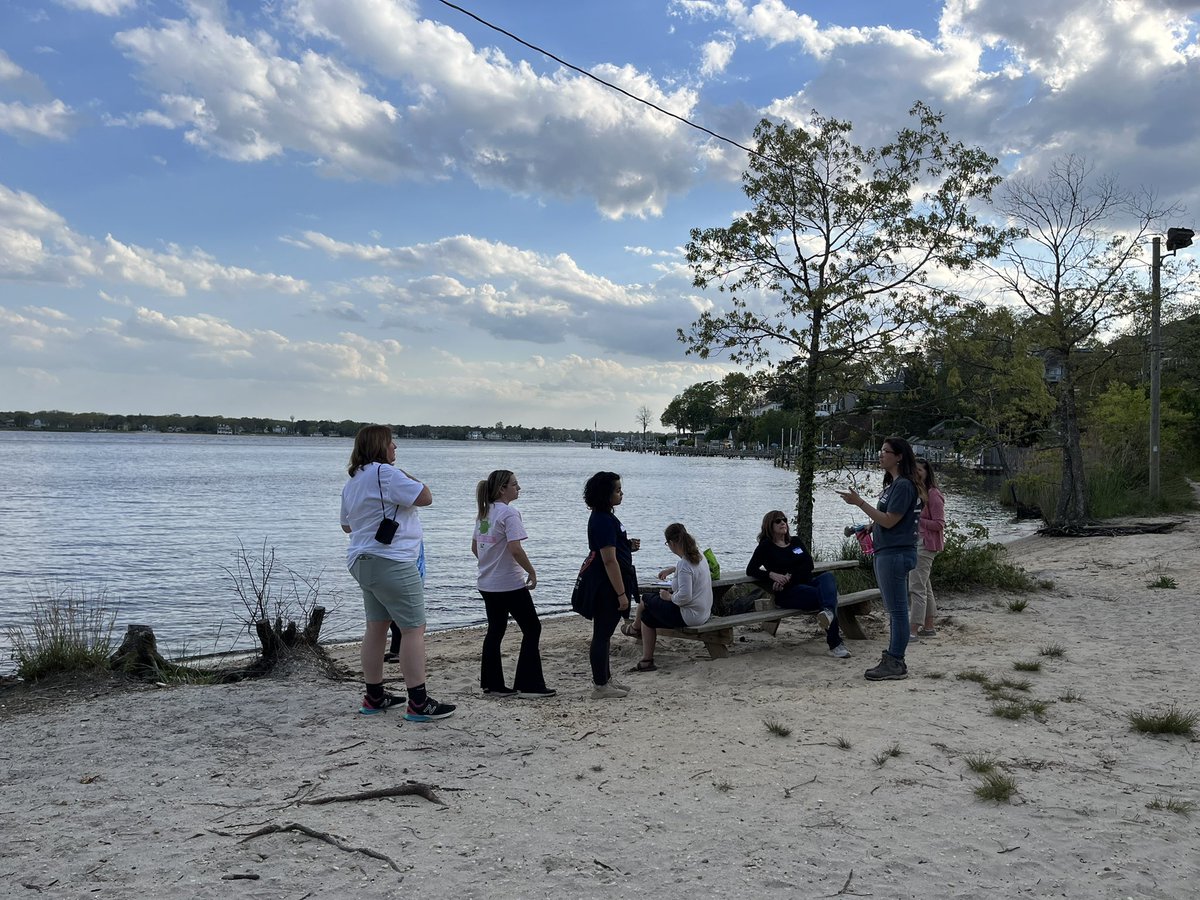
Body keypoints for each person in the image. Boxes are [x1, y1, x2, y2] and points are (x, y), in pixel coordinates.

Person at [340, 425, 456, 721]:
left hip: (361, 560)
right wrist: (404, 474)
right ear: (380, 446)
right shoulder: (387, 474)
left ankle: (374, 695)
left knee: (376, 627)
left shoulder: (353, 481)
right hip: (391, 560)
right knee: (413, 629)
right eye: (392, 443)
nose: (396, 448)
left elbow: (347, 526)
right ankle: (418, 701)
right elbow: (426, 496)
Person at [836, 436, 921, 681]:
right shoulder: (894, 484)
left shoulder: (904, 485)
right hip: (887, 551)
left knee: (897, 611)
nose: (880, 454)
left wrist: (859, 502)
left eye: (886, 451)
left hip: (895, 554)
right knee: (894, 610)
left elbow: (891, 520)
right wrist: (871, 527)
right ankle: (894, 659)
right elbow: (887, 518)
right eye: (880, 450)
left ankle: (895, 661)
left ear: (899, 456)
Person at [471, 470, 555, 699]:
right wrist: (531, 571)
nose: (519, 488)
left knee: (495, 631)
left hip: (487, 583)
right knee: (532, 628)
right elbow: (515, 548)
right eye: (515, 485)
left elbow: (475, 548)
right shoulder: (509, 513)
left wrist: (490, 563)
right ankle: (529, 684)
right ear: (502, 489)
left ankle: (492, 685)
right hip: (508, 584)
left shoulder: (484, 513)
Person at [745, 511, 851, 659]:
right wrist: (771, 574)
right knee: (826, 597)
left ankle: (827, 613)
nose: (783, 523)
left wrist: (789, 575)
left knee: (828, 577)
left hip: (806, 583)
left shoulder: (795, 542)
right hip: (788, 592)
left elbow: (809, 564)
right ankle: (835, 644)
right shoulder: (766, 546)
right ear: (769, 525)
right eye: (778, 521)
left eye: (784, 520)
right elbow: (751, 570)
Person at [584, 471, 639, 699]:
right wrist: (621, 594)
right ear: (605, 494)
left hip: (612, 580)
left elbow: (613, 549)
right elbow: (608, 559)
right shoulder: (602, 519)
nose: (621, 493)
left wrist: (627, 545)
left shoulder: (607, 516)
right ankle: (600, 685)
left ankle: (605, 678)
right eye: (617, 490)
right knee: (602, 634)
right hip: (607, 585)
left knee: (605, 634)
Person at [630, 523, 713, 672]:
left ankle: (634, 628)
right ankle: (646, 661)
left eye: (667, 543)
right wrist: (673, 569)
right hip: (703, 612)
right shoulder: (699, 556)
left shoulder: (684, 564)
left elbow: (685, 597)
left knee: (646, 599)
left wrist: (668, 597)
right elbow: (688, 570)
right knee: (647, 616)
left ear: (672, 543)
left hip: (690, 615)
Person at [909, 457, 945, 638]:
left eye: (919, 471)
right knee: (925, 586)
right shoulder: (918, 493)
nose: (916, 474)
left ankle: (913, 630)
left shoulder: (933, 494)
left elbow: (939, 524)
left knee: (916, 587)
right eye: (913, 470)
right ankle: (929, 627)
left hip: (926, 545)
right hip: (918, 543)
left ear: (926, 473)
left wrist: (916, 520)